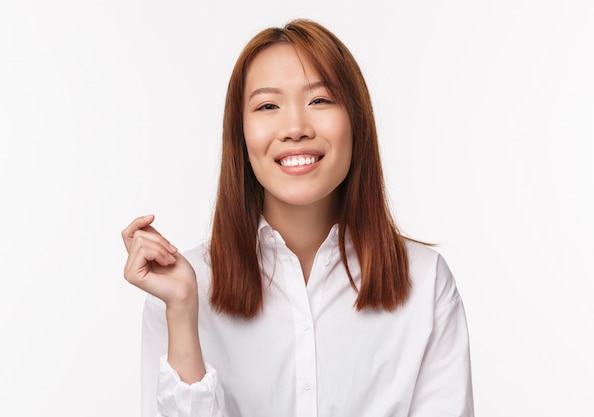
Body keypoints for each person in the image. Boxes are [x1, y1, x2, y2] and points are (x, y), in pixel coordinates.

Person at [122, 18, 474, 417]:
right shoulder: (180, 292)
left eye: (320, 100)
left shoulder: (425, 283)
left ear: (356, 121)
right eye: (268, 106)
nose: (294, 128)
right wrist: (183, 312)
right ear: (240, 134)